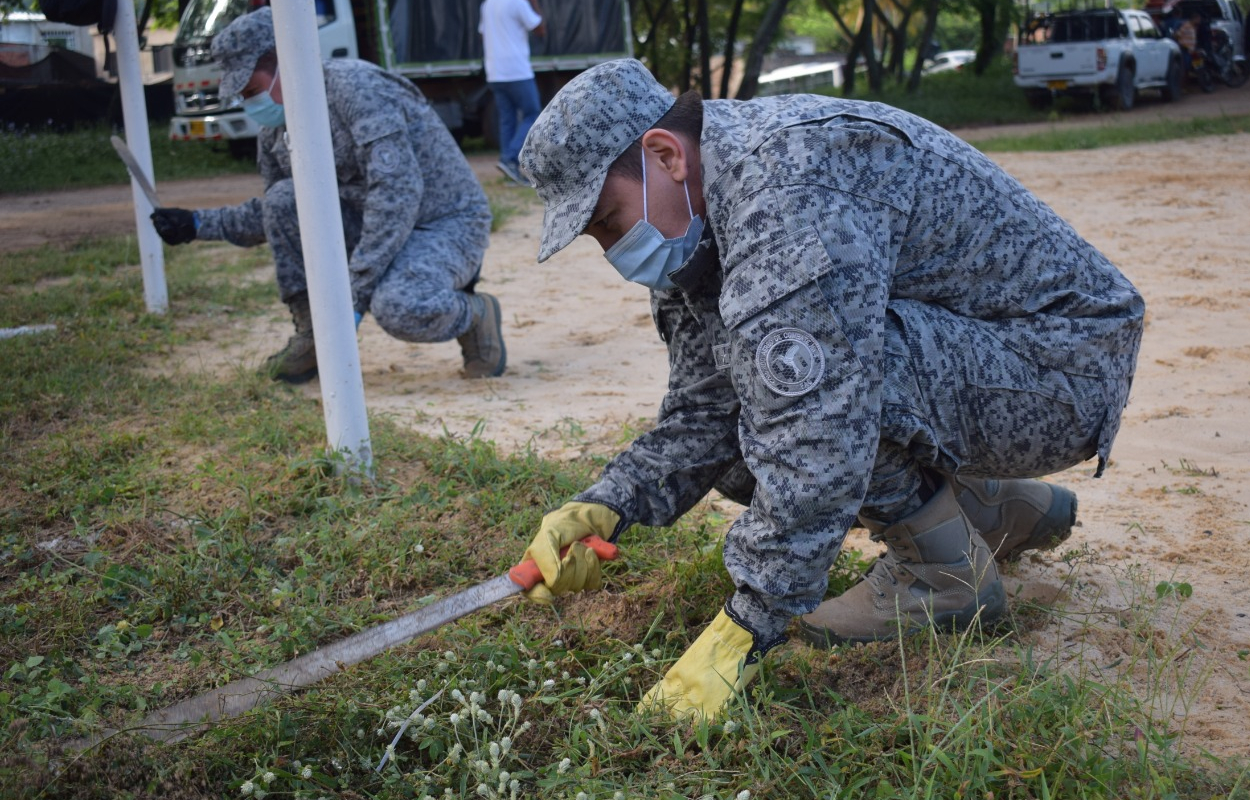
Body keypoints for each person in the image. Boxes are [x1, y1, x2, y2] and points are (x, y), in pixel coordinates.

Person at [516, 60, 1144, 722]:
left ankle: (943, 579)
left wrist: (748, 622)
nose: (614, 250)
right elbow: (706, 407)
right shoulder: (703, 217)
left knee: (807, 382)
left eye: (609, 220)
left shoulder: (783, 188)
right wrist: (611, 504)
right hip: (993, 367)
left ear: (666, 154)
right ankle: (984, 512)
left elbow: (816, 424)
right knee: (757, 402)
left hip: (1062, 370)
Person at [150, 8, 506, 383]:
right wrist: (196, 224)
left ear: (286, 63)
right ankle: (313, 336)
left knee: (399, 306)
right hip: (370, 224)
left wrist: (354, 294)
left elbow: (397, 194)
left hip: (443, 224)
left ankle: (475, 315)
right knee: (286, 198)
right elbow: (278, 212)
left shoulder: (357, 89)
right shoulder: (276, 131)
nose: (246, 100)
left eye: (251, 89)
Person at [479, 0, 546, 186]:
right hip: (517, 70)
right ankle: (510, 158)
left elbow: (483, 35)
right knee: (532, 114)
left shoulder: (487, 5)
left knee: (507, 119)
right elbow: (539, 29)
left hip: (494, 71)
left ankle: (509, 168)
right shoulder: (517, 2)